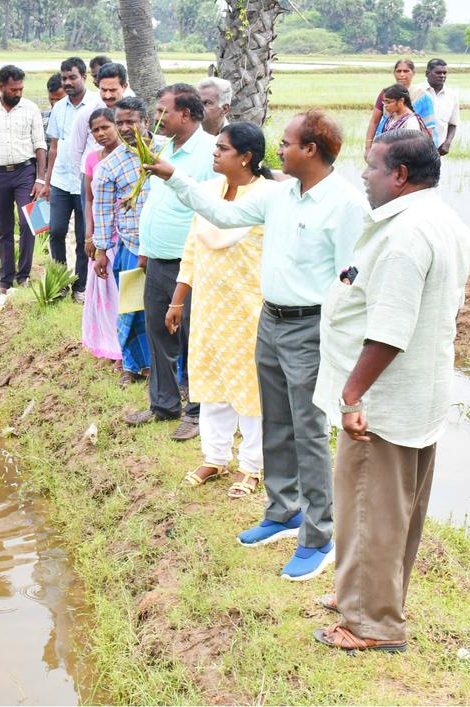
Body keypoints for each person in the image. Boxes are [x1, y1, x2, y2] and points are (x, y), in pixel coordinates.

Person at [145, 109, 368, 581]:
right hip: (270, 320)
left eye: (286, 143)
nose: (277, 150)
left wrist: (340, 342)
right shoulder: (279, 195)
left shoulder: (346, 204)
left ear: (311, 150)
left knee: (309, 430)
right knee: (277, 420)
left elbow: (353, 279)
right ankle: (282, 510)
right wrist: (175, 178)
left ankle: (319, 534)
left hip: (310, 327)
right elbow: (223, 214)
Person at [311, 130, 470, 651]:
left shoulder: (407, 236)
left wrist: (353, 396)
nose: (364, 176)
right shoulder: (444, 221)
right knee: (394, 510)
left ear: (400, 175)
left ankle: (371, 624)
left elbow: (389, 329)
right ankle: (366, 593)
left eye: (372, 167)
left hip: (382, 400)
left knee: (370, 507)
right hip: (418, 395)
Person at [165, 122, 276, 499]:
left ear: (246, 157)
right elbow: (193, 249)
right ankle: (214, 457)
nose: (214, 153)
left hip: (249, 308)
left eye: (222, 148)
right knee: (211, 383)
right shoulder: (209, 193)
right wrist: (178, 299)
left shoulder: (267, 197)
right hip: (210, 308)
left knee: (250, 388)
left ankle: (251, 467)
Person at [125, 84, 215, 440]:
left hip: (190, 261)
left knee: (193, 336)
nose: (158, 118)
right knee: (157, 331)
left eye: (165, 111)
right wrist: (145, 247)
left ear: (188, 115)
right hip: (158, 258)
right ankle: (163, 405)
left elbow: (214, 206)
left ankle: (196, 412)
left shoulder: (210, 152)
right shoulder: (161, 147)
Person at [92, 96, 154, 385]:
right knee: (131, 307)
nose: (126, 128)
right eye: (121, 123)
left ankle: (161, 367)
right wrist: (102, 249)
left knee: (163, 309)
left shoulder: (165, 154)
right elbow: (102, 209)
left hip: (166, 248)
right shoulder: (110, 165)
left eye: (131, 121)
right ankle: (131, 365)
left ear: (146, 121)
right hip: (131, 245)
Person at [0, 64, 48, 295]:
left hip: (27, 172)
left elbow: (40, 145)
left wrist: (41, 179)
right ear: (2, 86)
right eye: (14, 89)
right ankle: (5, 280)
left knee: (30, 224)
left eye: (21, 89)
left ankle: (23, 276)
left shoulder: (30, 108)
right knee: (4, 229)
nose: (18, 93)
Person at [43, 57, 93, 302]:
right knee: (56, 231)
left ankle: (80, 287)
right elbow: (54, 145)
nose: (68, 82)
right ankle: (61, 282)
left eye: (72, 77)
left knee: (85, 236)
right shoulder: (59, 107)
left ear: (83, 76)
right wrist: (46, 179)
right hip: (61, 180)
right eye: (64, 78)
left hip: (86, 181)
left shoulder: (95, 104)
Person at [81, 107, 123, 362]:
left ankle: (124, 349)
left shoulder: (130, 157)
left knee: (122, 291)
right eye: (95, 130)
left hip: (124, 234)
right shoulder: (92, 159)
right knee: (103, 289)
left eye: (106, 127)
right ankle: (106, 343)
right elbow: (89, 200)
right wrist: (90, 236)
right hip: (100, 235)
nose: (101, 133)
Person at [64, 62, 129, 207]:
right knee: (91, 223)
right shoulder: (87, 113)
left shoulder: (131, 112)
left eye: (113, 90)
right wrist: (85, 177)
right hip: (93, 176)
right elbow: (75, 150)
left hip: (125, 177)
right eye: (103, 89)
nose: (107, 95)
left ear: (124, 86)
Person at [364, 59, 422, 160]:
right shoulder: (392, 116)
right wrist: (368, 148)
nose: (402, 75)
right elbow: (374, 121)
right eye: (398, 71)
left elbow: (409, 148)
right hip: (386, 156)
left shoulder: (411, 121)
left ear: (401, 101)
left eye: (406, 71)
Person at [422, 58, 460, 156]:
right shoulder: (417, 92)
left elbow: (453, 123)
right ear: (427, 74)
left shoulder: (452, 96)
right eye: (438, 73)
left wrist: (447, 143)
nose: (442, 76)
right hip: (416, 148)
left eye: (444, 73)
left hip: (438, 151)